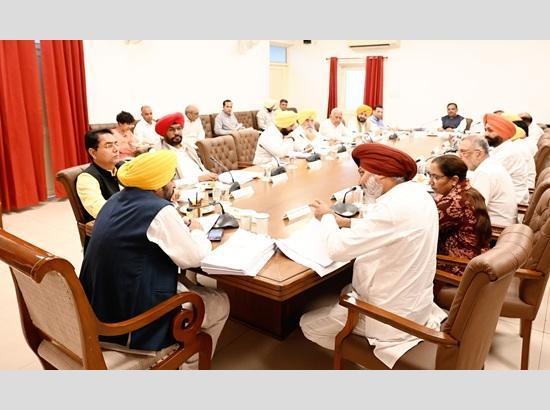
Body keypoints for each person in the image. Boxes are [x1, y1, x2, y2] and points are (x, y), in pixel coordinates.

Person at [301, 143, 446, 369]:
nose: (360, 181)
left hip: (390, 319)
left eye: (362, 173)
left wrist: (327, 217)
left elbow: (337, 249)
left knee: (308, 324)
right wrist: (345, 222)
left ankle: (363, 358)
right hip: (416, 305)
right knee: (344, 289)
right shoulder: (418, 194)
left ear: (379, 174)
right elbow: (386, 225)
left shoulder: (392, 209)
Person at [79, 150, 229, 368]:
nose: (174, 184)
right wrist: (197, 230)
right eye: (171, 179)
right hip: (130, 324)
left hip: (99, 309)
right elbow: (193, 258)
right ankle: (189, 363)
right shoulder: (159, 210)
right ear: (157, 186)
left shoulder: (114, 200)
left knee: (186, 284)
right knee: (220, 301)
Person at [428, 155, 491, 263]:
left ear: (454, 180)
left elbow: (425, 229)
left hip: (457, 263)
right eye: (430, 175)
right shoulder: (469, 191)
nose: (430, 182)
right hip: (477, 257)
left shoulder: (454, 203)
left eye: (436, 177)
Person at [458, 134, 517, 226]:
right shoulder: (490, 164)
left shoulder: (484, 172)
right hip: (499, 224)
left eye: (463, 152)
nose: (459, 156)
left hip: (496, 228)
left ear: (478, 154)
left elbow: (473, 209)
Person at [155, 112, 217, 187]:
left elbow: (200, 168)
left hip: (205, 185)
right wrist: (198, 179)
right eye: (171, 130)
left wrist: (209, 175)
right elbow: (168, 185)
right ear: (164, 133)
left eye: (179, 128)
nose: (176, 132)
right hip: (186, 190)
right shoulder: (158, 153)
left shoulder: (188, 146)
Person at [484, 113, 532, 204]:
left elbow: (485, 177)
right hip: (502, 198)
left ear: (503, 133)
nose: (485, 134)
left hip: (512, 205)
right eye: (485, 130)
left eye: (490, 130)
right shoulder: (501, 148)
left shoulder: (509, 153)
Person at [76, 129, 121, 223]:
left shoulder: (123, 167)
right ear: (93, 152)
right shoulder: (87, 178)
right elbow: (102, 211)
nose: (116, 149)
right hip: (111, 226)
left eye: (116, 144)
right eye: (108, 146)